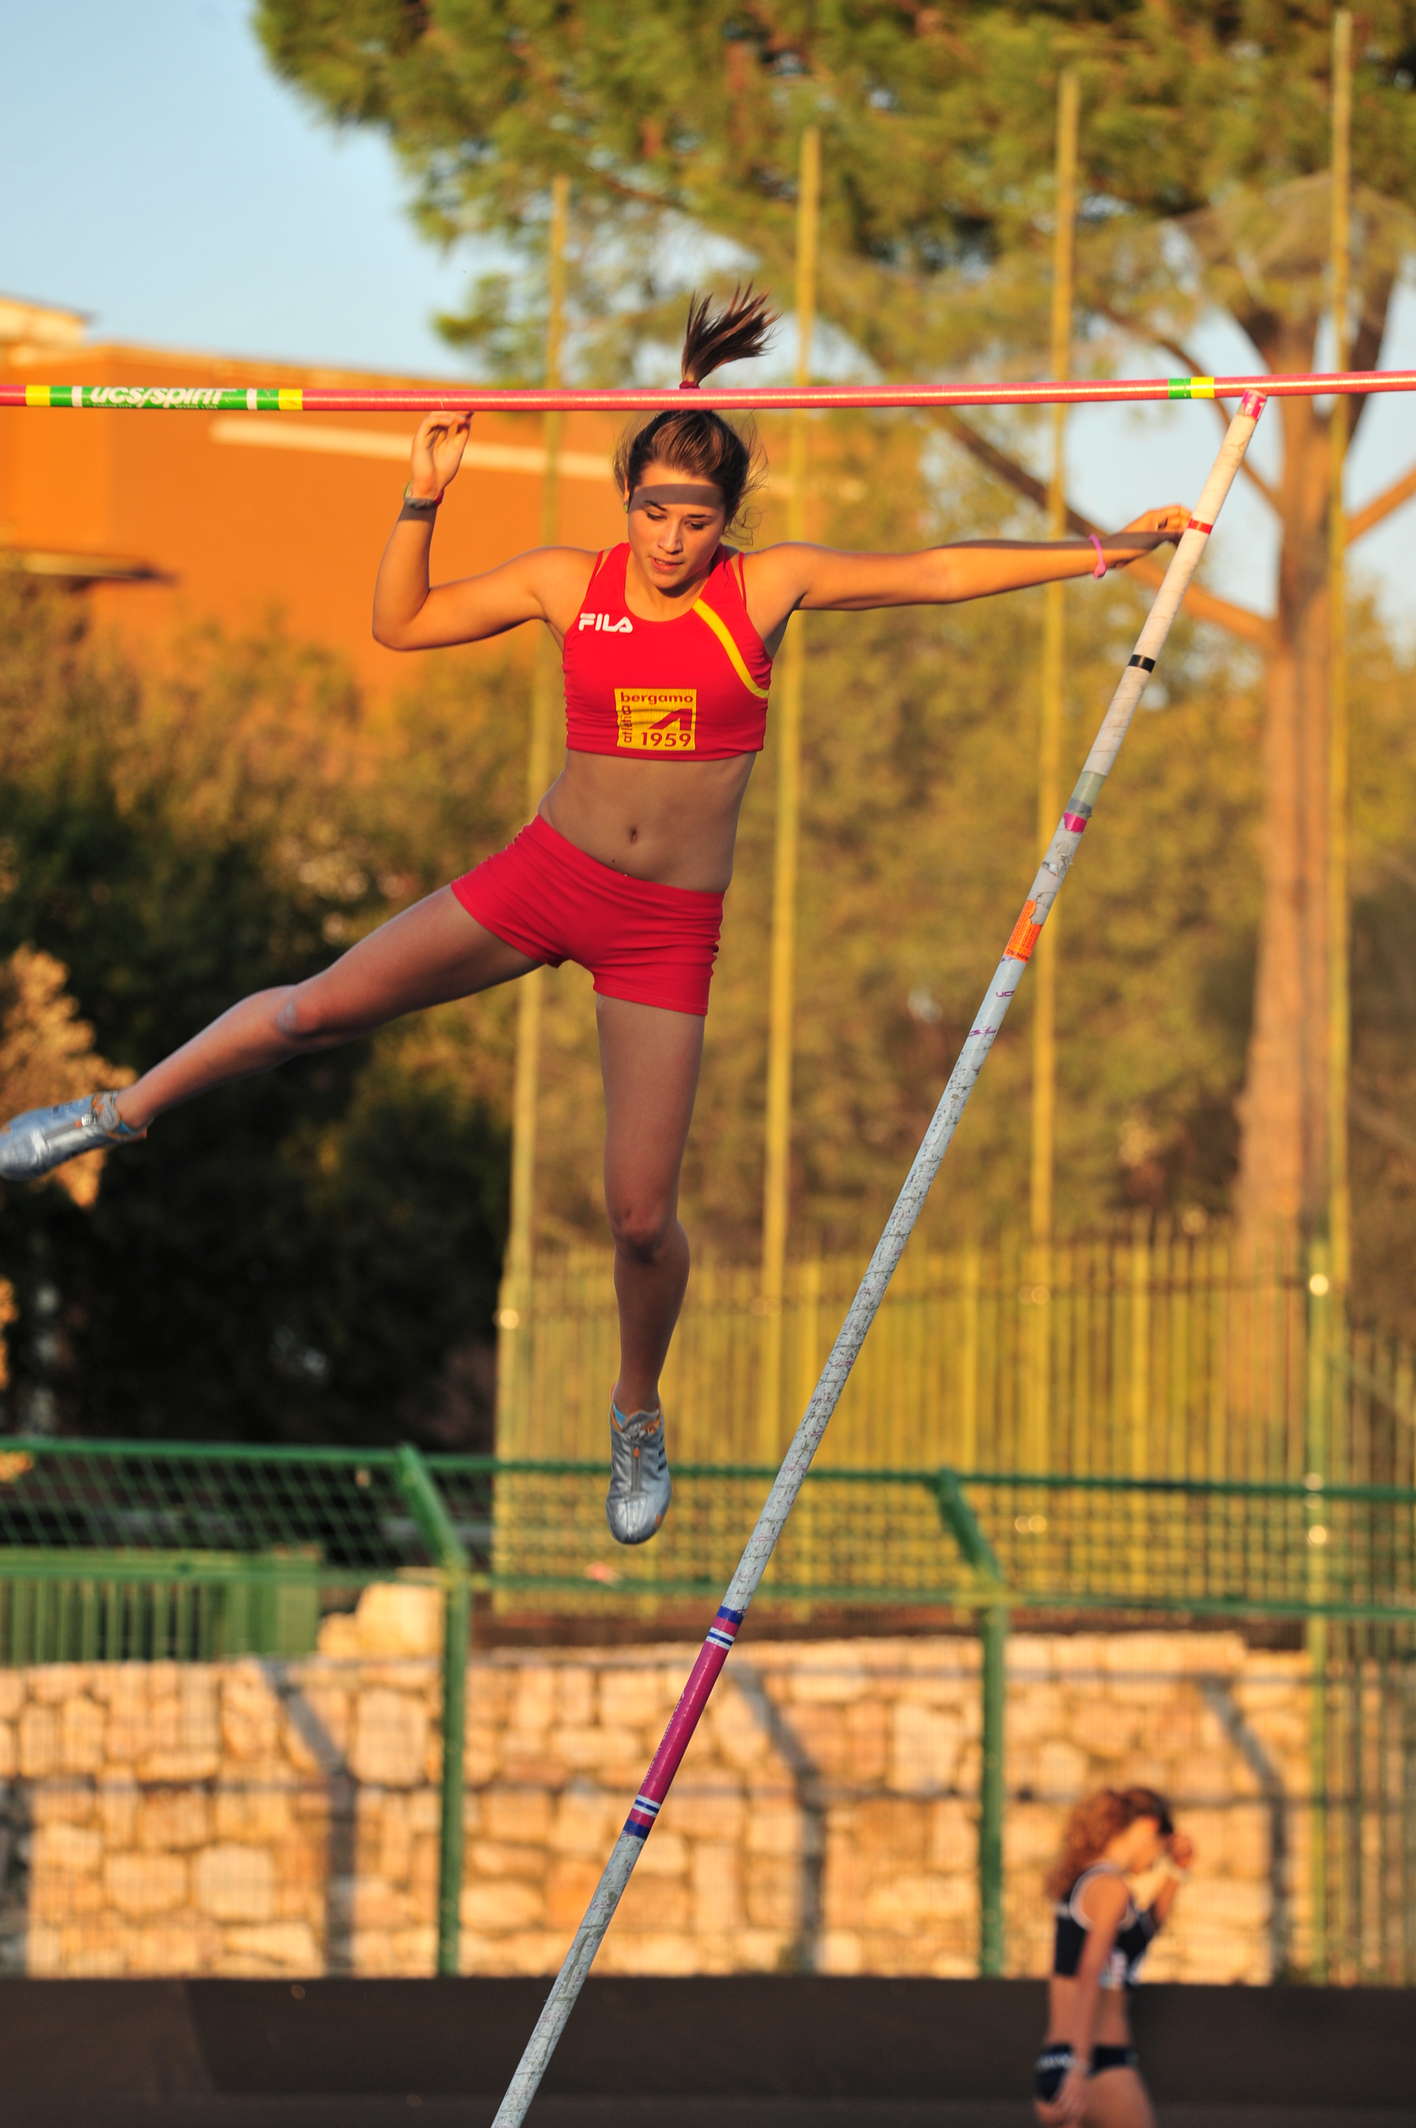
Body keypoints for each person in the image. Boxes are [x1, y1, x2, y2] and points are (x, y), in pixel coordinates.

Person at [0, 288, 1187, 1545]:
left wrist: (1103, 550)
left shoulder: (764, 590)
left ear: (728, 518)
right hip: (546, 878)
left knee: (638, 1218)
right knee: (311, 1012)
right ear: (626, 500)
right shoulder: (570, 583)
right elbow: (398, 624)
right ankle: (114, 1112)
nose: (671, 538)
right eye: (653, 511)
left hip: (662, 931)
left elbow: (939, 572)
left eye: (696, 518)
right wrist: (422, 495)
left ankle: (634, 1406)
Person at [1034, 1784, 1195, 2127]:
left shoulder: (1087, 1882)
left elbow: (1140, 1935)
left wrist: (1176, 1872)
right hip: (1096, 2061)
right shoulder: (1112, 1888)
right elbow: (1090, 1973)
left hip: (1056, 2059)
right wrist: (1080, 2066)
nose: (1156, 1858)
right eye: (1160, 1846)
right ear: (1148, 1827)